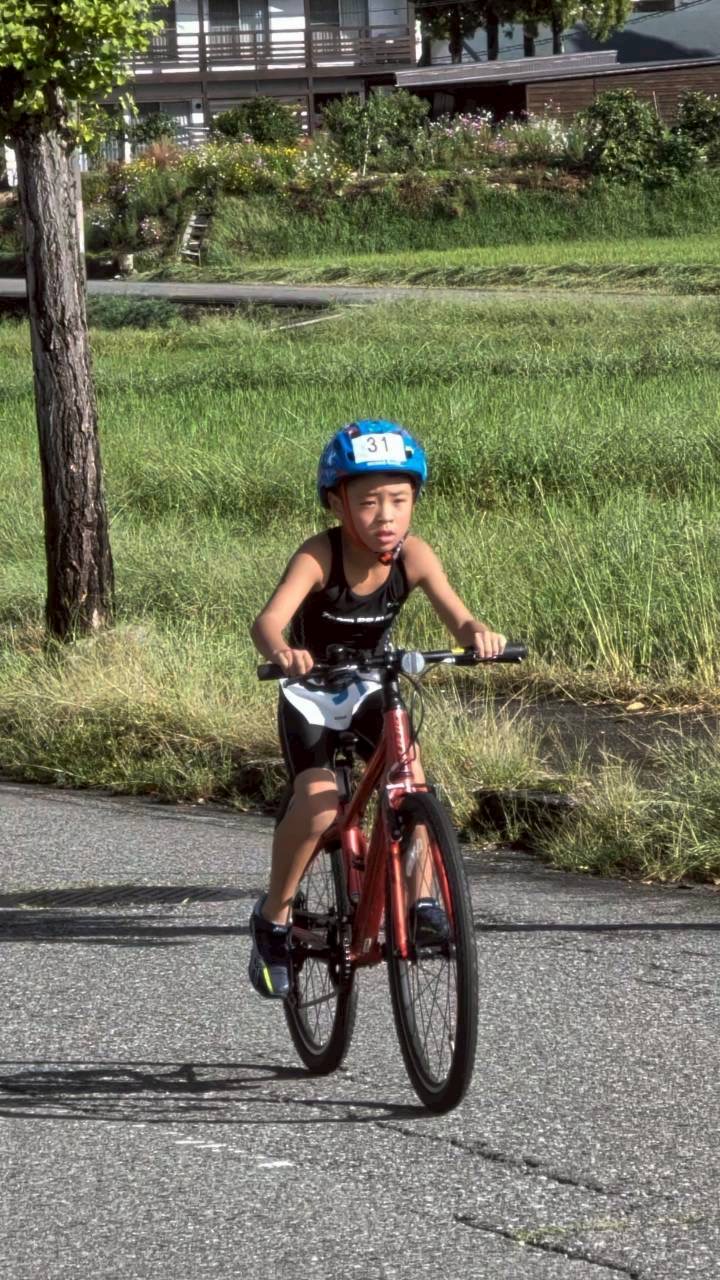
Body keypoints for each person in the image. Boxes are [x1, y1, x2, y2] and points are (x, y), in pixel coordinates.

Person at [248, 419, 505, 999]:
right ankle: (274, 917)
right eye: (367, 502)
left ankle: (421, 901)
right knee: (319, 807)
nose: (385, 515)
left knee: (411, 785)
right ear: (337, 503)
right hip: (312, 693)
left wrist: (477, 635)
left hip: (370, 686)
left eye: (399, 500)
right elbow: (267, 621)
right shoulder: (319, 555)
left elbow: (459, 616)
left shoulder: (414, 556)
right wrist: (282, 651)